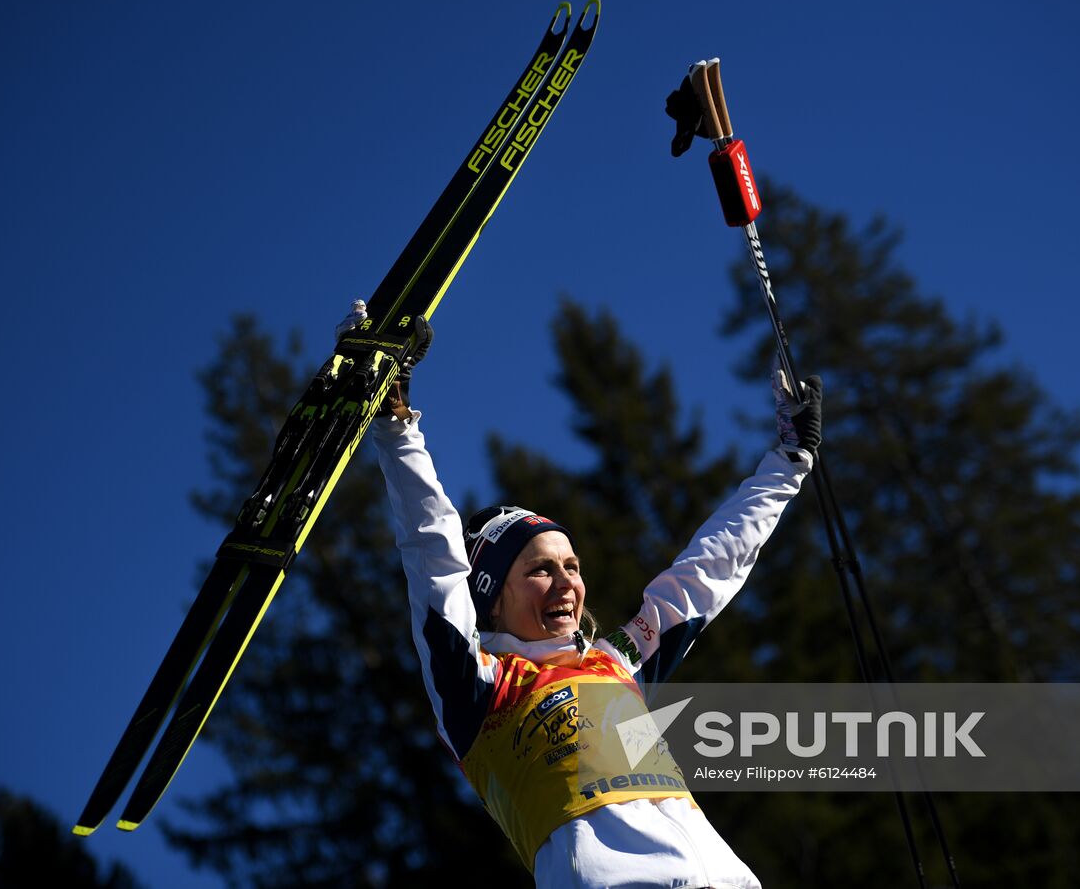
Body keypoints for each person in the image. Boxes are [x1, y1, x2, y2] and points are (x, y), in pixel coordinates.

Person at [349, 304, 822, 888]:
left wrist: (787, 465)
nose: (567, 583)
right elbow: (433, 556)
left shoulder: (618, 662)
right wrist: (397, 430)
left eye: (571, 566)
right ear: (491, 599)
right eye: (540, 570)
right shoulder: (479, 689)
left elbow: (708, 571)